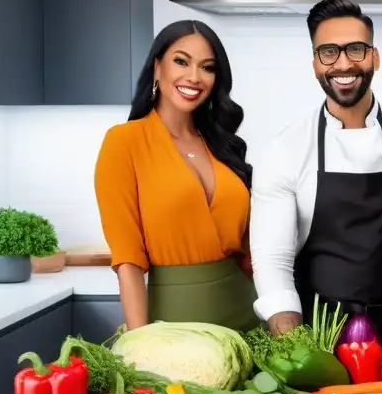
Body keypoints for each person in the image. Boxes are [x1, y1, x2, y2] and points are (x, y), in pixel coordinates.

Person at [249, 0, 382, 351]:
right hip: (316, 336)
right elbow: (273, 258)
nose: (344, 63)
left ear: (375, 57)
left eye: (356, 49)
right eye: (329, 52)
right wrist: (295, 349)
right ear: (315, 63)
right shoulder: (284, 149)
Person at [93, 20, 258, 331]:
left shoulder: (222, 145)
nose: (194, 77)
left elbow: (250, 255)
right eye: (181, 61)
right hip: (171, 323)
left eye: (207, 68)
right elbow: (128, 262)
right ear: (157, 68)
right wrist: (140, 343)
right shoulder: (124, 142)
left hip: (246, 316)